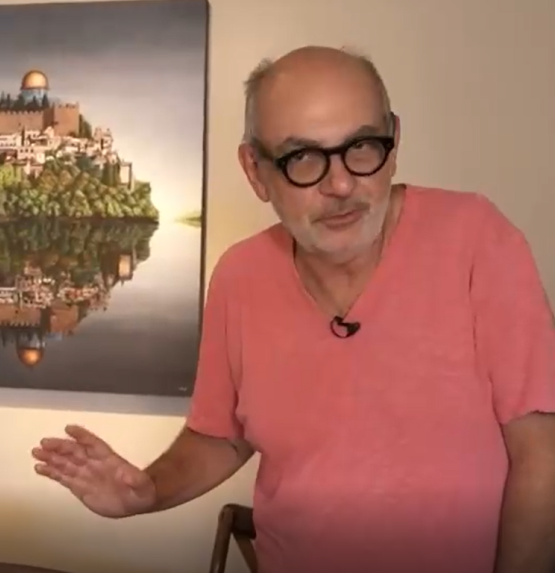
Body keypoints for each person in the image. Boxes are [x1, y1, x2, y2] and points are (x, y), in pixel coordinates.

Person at [31, 45, 555, 573]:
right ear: (256, 171)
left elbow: (543, 452)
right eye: (302, 157)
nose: (341, 185)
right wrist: (149, 490)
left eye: (362, 147)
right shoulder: (240, 277)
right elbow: (222, 435)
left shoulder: (478, 240)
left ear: (394, 142)